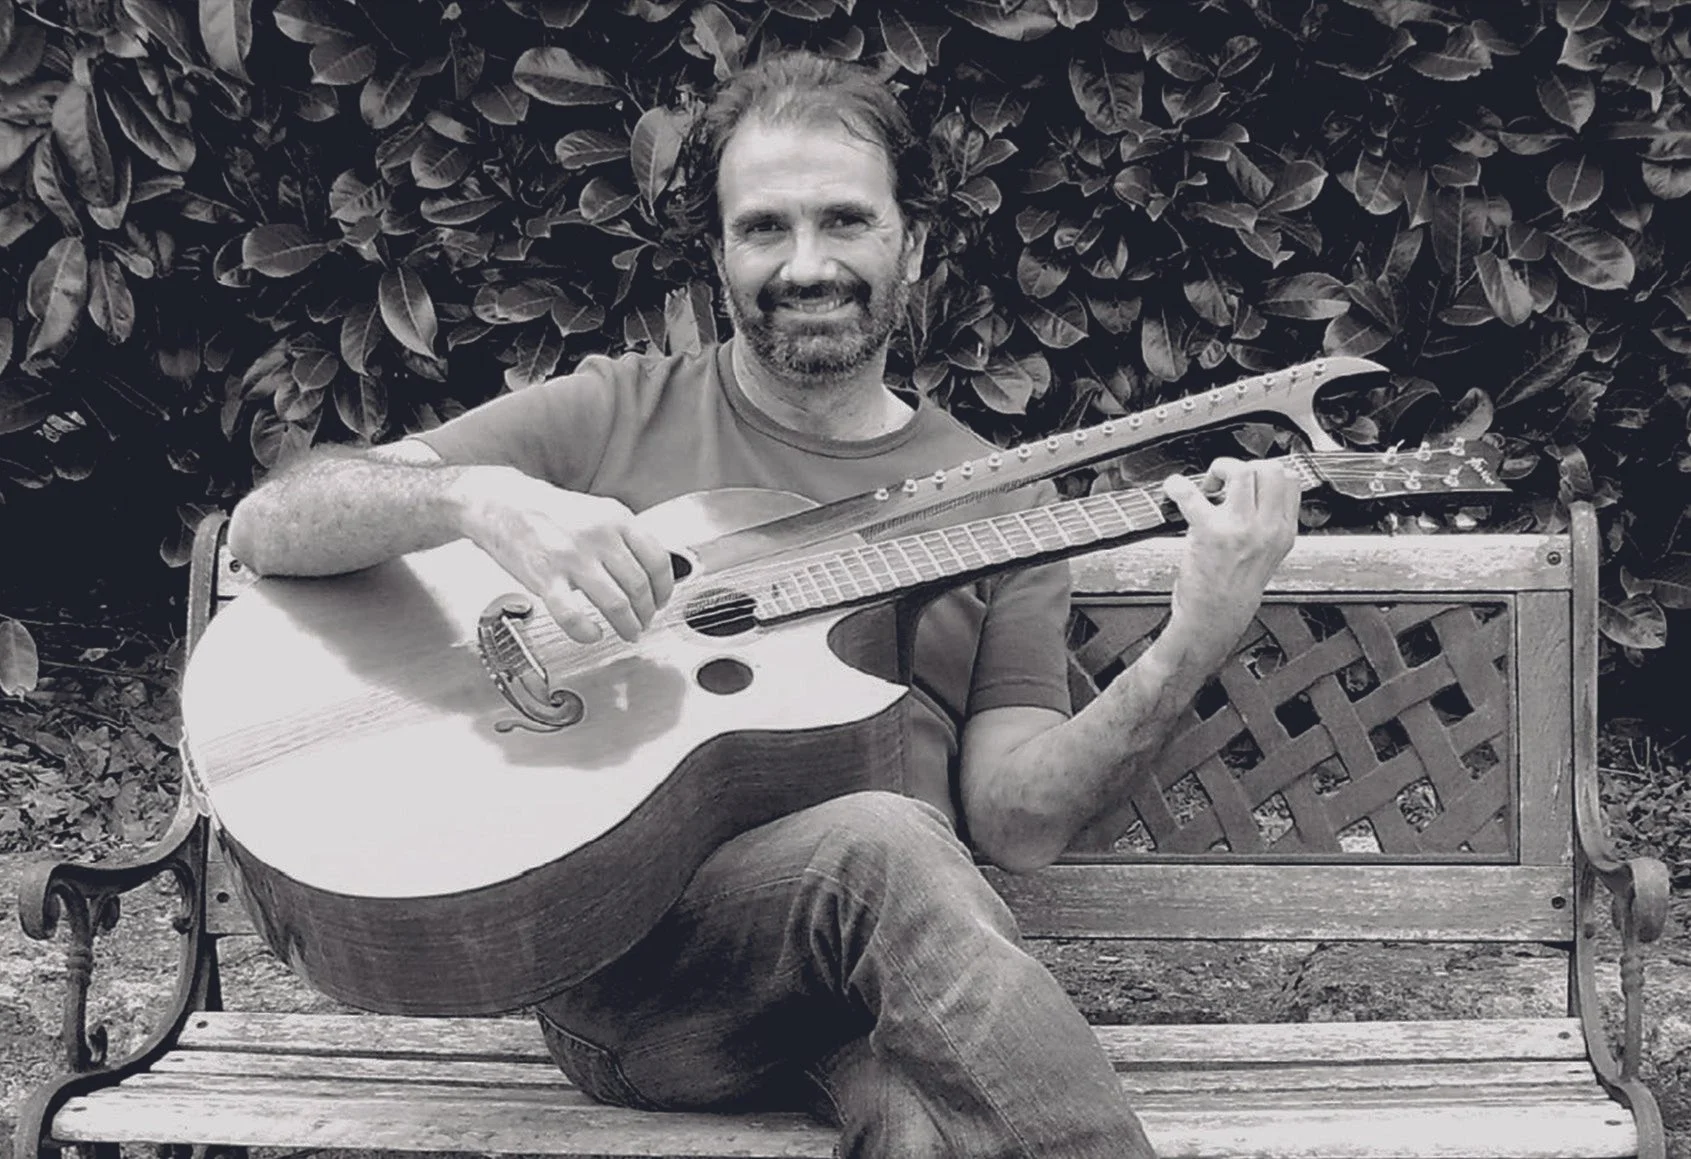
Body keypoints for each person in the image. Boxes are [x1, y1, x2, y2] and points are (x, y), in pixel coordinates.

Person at [228, 50, 1300, 1159]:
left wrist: (1194, 637)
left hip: (891, 987)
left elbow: (1017, 823)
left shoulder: (1000, 499)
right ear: (717, 257)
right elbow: (273, 522)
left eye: (844, 220)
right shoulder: (613, 413)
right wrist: (473, 496)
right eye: (763, 229)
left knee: (925, 1126)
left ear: (911, 244)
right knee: (879, 841)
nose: (806, 264)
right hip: (644, 985)